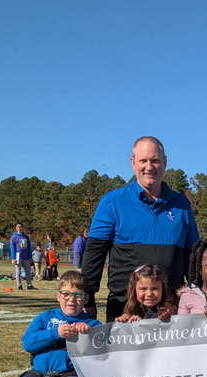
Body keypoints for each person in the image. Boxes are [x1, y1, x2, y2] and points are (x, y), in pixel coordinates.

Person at [83, 136, 199, 321]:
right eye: (143, 160)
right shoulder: (112, 202)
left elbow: (193, 257)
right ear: (133, 162)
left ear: (165, 162)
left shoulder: (181, 204)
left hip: (170, 311)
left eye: (155, 160)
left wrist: (197, 295)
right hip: (124, 309)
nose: (149, 167)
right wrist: (87, 297)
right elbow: (94, 255)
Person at [9, 222, 35, 290]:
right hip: (18, 256)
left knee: (28, 270)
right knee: (18, 271)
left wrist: (30, 257)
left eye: (20, 226)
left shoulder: (26, 237)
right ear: (16, 228)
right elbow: (12, 248)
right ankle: (19, 285)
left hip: (26, 256)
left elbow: (29, 248)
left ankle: (29, 285)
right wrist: (13, 258)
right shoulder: (13, 237)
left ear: (22, 228)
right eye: (18, 227)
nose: (19, 228)